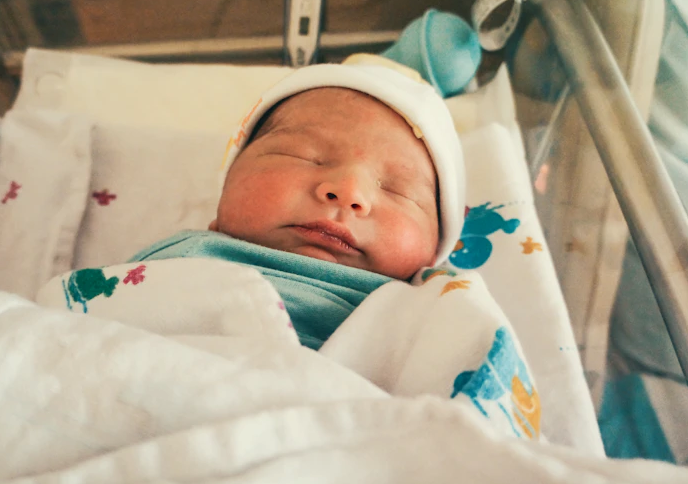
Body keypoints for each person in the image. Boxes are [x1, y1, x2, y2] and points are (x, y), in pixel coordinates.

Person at [130, 56, 466, 349]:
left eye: (398, 190)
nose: (348, 191)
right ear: (225, 196)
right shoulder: (179, 261)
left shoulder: (437, 310)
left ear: (435, 251)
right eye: (304, 157)